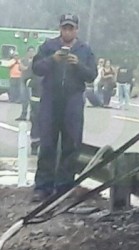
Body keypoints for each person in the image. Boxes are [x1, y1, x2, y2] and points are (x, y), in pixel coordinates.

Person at [31, 13, 97, 202]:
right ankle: (43, 186)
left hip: (73, 100)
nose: (68, 31)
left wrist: (78, 65)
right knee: (47, 144)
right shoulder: (48, 46)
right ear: (60, 29)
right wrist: (53, 59)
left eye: (71, 28)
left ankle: (65, 187)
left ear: (77, 30)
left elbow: (91, 75)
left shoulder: (85, 49)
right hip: (51, 99)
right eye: (65, 28)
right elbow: (36, 68)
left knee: (71, 144)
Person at [17, 46, 36, 121]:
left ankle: (32, 115)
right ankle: (23, 115)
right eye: (29, 51)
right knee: (24, 99)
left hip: (32, 82)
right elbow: (20, 67)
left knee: (31, 99)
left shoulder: (36, 60)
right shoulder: (23, 59)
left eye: (32, 51)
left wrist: (26, 67)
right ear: (27, 52)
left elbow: (30, 68)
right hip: (23, 81)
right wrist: (26, 67)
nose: (31, 53)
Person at [26, 73, 44, 156]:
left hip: (50, 101)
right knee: (35, 123)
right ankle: (35, 145)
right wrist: (36, 82)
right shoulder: (35, 66)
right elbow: (26, 79)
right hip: (36, 101)